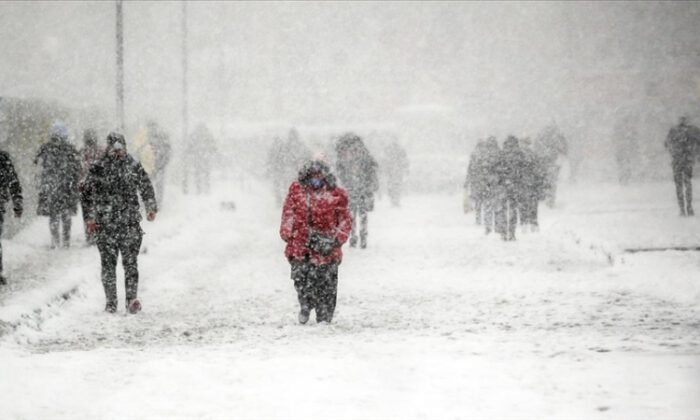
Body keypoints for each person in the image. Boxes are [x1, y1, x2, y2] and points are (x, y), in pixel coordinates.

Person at [82, 132, 157, 314]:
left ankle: (131, 300)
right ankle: (111, 302)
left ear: (124, 148)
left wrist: (150, 206)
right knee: (108, 265)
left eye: (120, 148)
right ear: (108, 149)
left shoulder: (133, 166)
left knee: (130, 263)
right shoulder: (98, 168)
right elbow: (86, 195)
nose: (117, 152)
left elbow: (146, 186)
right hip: (105, 225)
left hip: (129, 224)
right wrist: (90, 218)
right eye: (114, 149)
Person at [280, 160, 352, 324]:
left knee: (327, 284)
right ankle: (305, 304)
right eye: (313, 176)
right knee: (301, 279)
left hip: (327, 248)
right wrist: (287, 232)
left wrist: (336, 240)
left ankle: (324, 315)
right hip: (301, 246)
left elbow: (345, 220)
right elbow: (288, 213)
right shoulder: (297, 191)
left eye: (319, 176)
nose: (316, 180)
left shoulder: (337, 194)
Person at [34, 121, 80, 249]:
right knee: (66, 215)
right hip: (67, 187)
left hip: (51, 186)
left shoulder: (46, 148)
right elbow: (77, 167)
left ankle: (55, 241)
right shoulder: (70, 148)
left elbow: (36, 163)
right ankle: (66, 241)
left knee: (54, 215)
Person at [335, 133, 379, 248]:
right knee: (362, 214)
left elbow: (340, 170)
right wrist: (371, 184)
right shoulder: (364, 153)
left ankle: (353, 236)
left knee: (351, 214)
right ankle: (363, 236)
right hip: (363, 188)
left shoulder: (344, 154)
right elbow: (373, 167)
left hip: (351, 189)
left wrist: (345, 181)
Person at [665, 116, 700, 216]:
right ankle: (689, 206)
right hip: (687, 160)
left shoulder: (673, 131)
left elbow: (666, 143)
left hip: (677, 160)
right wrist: (695, 153)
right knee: (687, 183)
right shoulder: (693, 130)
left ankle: (682, 208)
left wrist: (674, 151)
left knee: (679, 185)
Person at [494, 136, 525, 241]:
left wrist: (502, 179)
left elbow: (496, 169)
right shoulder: (520, 154)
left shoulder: (501, 154)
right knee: (513, 209)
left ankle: (503, 232)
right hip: (515, 186)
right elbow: (523, 170)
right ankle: (511, 232)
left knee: (502, 209)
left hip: (503, 185)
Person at [0, 149, 22, 285]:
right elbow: (13, 182)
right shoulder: (3, 158)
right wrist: (17, 200)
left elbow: (13, 181)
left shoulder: (2, 158)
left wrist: (17, 201)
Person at [78, 129, 103, 245]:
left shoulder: (81, 152)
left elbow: (77, 170)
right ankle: (98, 234)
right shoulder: (101, 152)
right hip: (99, 187)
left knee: (87, 213)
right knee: (98, 211)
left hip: (85, 187)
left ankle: (89, 236)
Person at [519, 137, 546, 232]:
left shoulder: (519, 155)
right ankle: (533, 223)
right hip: (532, 183)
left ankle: (524, 222)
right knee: (532, 204)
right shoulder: (533, 155)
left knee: (523, 204)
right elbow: (539, 171)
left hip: (523, 184)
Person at [183, 123, 216, 195]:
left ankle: (199, 189)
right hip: (205, 156)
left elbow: (190, 145)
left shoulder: (195, 134)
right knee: (206, 173)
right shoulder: (207, 134)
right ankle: (206, 188)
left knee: (198, 173)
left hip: (197, 156)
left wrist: (189, 151)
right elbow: (213, 145)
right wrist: (211, 151)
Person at [382, 140, 409, 207]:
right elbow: (405, 161)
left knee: (393, 186)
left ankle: (394, 199)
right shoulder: (400, 151)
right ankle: (395, 199)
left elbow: (385, 162)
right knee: (396, 186)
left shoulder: (389, 151)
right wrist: (405, 169)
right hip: (396, 172)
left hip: (393, 172)